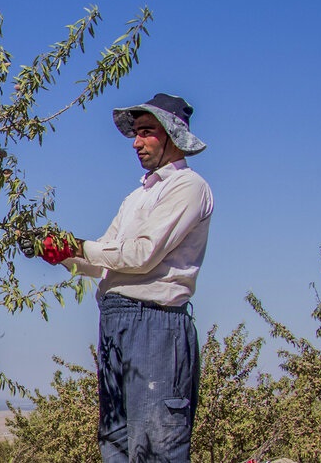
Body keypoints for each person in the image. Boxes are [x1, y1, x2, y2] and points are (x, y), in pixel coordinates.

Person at [26, 93, 213, 462]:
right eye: (136, 132)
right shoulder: (135, 197)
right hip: (116, 318)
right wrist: (63, 253)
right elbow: (104, 262)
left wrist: (77, 245)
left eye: (146, 132)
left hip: (155, 323)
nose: (136, 141)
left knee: (157, 442)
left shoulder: (188, 187)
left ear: (172, 136)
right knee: (115, 440)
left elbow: (142, 254)